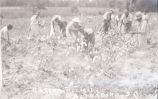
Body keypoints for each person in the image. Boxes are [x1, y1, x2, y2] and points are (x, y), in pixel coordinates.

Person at [0, 24, 13, 92]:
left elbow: (7, 37)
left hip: (2, 39)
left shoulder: (5, 29)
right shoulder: (5, 30)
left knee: (4, 47)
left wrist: (8, 41)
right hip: (1, 39)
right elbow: (5, 38)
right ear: (9, 27)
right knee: (3, 47)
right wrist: (8, 42)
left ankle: (5, 51)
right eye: (11, 29)